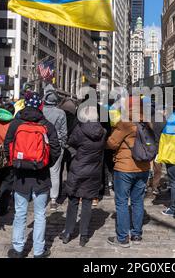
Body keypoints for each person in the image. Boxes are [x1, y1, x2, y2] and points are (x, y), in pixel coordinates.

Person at [4, 92, 61, 258]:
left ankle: (18, 249)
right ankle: (38, 251)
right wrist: (45, 164)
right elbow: (56, 150)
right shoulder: (47, 125)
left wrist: (15, 163)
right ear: (40, 105)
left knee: (20, 212)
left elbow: (7, 146)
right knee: (40, 215)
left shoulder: (15, 123)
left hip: (20, 175)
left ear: (25, 104)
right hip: (41, 176)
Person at [106, 96, 151, 248]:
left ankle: (123, 238)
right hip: (144, 167)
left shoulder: (125, 122)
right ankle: (137, 235)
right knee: (138, 201)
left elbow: (112, 143)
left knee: (122, 202)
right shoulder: (148, 123)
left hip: (124, 168)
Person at [59, 105, 106, 247]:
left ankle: (68, 232)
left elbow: (69, 143)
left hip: (78, 168)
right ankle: (84, 235)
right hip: (94, 170)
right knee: (87, 202)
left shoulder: (79, 130)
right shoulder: (102, 132)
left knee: (73, 200)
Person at [43, 84, 67, 211]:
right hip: (56, 145)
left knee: (42, 171)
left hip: (42, 144)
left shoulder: (40, 112)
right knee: (55, 172)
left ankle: (42, 196)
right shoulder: (61, 113)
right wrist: (62, 144)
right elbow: (64, 132)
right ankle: (53, 199)